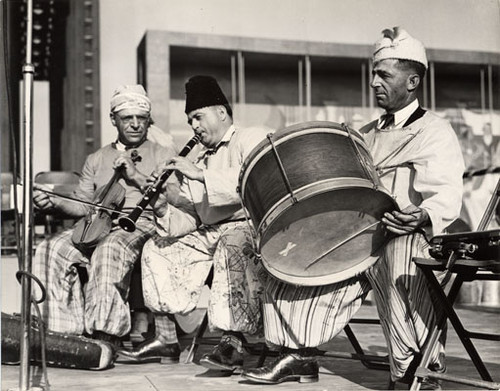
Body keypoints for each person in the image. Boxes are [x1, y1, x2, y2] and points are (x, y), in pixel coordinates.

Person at [242, 27, 465, 389]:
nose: (374, 81)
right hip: (358, 240)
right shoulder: (363, 134)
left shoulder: (434, 131)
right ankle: (300, 355)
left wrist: (422, 215)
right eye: (374, 73)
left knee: (400, 249)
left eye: (384, 75)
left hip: (409, 240)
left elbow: (446, 195)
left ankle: (416, 371)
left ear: (412, 81)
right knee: (292, 257)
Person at [117, 75, 272, 369]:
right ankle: (165, 337)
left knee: (231, 242)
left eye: (198, 117)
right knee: (156, 247)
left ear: (221, 112)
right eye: (190, 122)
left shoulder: (251, 137)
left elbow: (259, 182)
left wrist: (201, 175)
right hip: (211, 232)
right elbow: (192, 216)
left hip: (250, 228)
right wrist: (162, 206)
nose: (194, 127)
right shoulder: (200, 158)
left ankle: (233, 344)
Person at [32, 85, 177, 347]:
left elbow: (172, 199)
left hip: (141, 224)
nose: (135, 125)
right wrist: (54, 203)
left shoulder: (162, 154)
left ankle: (104, 335)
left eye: (141, 118)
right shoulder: (97, 158)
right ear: (114, 120)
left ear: (147, 120)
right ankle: (62, 332)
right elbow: (84, 205)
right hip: (96, 223)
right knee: (49, 249)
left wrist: (135, 174)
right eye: (127, 118)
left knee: (109, 248)